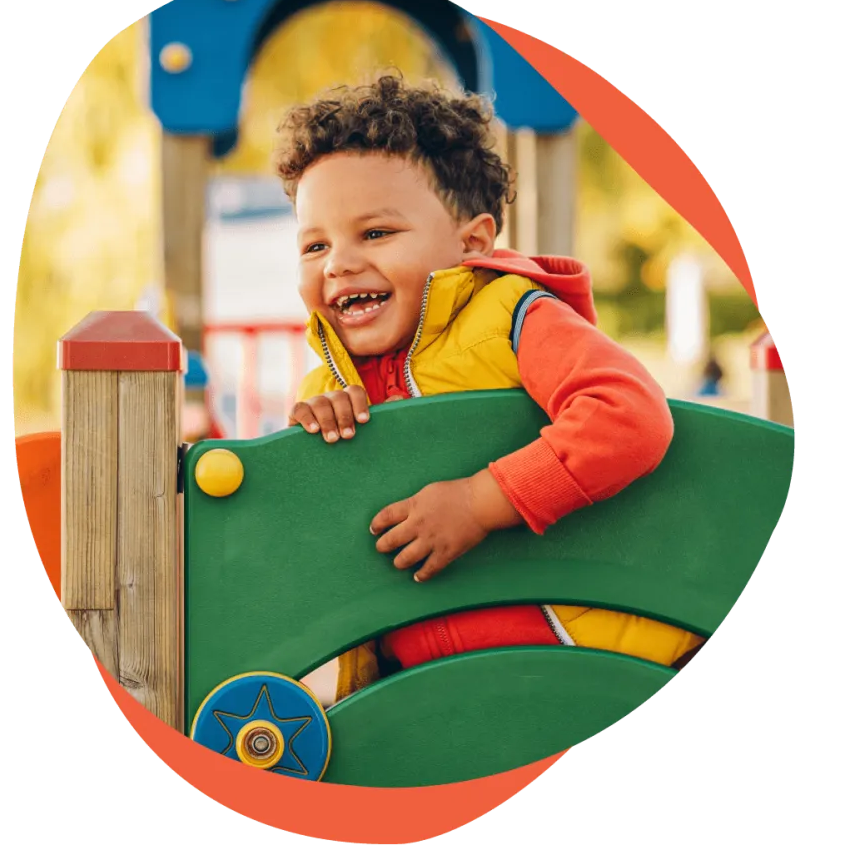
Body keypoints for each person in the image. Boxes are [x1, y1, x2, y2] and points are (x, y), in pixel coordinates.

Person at [273, 74, 705, 704]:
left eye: (375, 234)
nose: (337, 262)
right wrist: (307, 449)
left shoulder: (512, 316)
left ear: (471, 241)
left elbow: (628, 414)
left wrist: (479, 502)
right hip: (438, 701)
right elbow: (312, 546)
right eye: (315, 244)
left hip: (598, 660)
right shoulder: (328, 383)